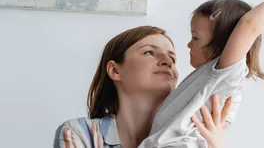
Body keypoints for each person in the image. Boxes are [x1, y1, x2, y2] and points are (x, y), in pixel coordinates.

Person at [137, 0, 264, 148]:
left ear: (223, 43)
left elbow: (248, 26)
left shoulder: (225, 74)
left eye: (195, 37)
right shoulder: (208, 78)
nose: (189, 44)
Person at [53, 26, 231, 148]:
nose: (167, 61)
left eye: (173, 58)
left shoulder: (195, 137)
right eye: (149, 52)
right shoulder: (79, 133)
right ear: (115, 70)